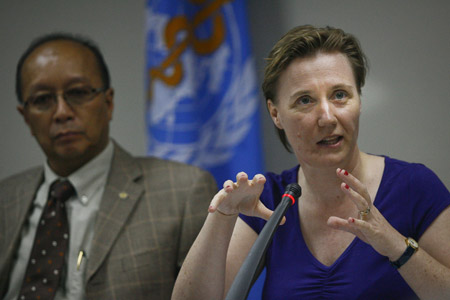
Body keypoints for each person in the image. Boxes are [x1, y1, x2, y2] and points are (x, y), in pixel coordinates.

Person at [172, 25, 450, 299]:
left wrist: (397, 247)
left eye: (340, 95)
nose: (327, 118)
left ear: (359, 100)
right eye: (305, 100)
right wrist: (222, 216)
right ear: (276, 114)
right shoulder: (271, 201)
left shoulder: (414, 187)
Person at [0, 33, 217, 300]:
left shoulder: (182, 191)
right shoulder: (5, 199)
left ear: (109, 102)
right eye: (42, 100)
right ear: (26, 117)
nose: (61, 112)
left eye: (78, 93)